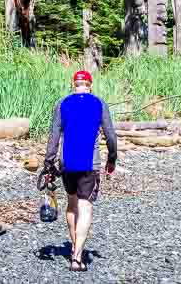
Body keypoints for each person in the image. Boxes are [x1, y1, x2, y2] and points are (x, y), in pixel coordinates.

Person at [44, 70, 117, 272]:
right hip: (89, 165)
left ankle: (75, 247)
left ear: (73, 84)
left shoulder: (62, 104)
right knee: (85, 207)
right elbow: (110, 135)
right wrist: (112, 158)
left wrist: (48, 163)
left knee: (71, 205)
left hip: (67, 164)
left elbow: (54, 136)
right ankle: (77, 257)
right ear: (90, 85)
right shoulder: (99, 103)